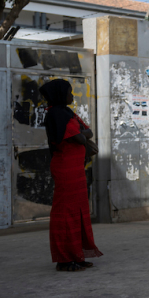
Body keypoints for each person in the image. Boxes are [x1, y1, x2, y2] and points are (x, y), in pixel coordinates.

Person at [41, 79, 102, 272]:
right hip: (65, 168)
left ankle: (77, 255)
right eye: (69, 92)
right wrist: (83, 134)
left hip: (75, 168)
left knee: (78, 211)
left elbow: (88, 133)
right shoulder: (57, 114)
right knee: (65, 213)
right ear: (60, 94)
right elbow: (80, 136)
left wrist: (84, 134)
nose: (72, 96)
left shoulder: (66, 112)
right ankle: (64, 259)